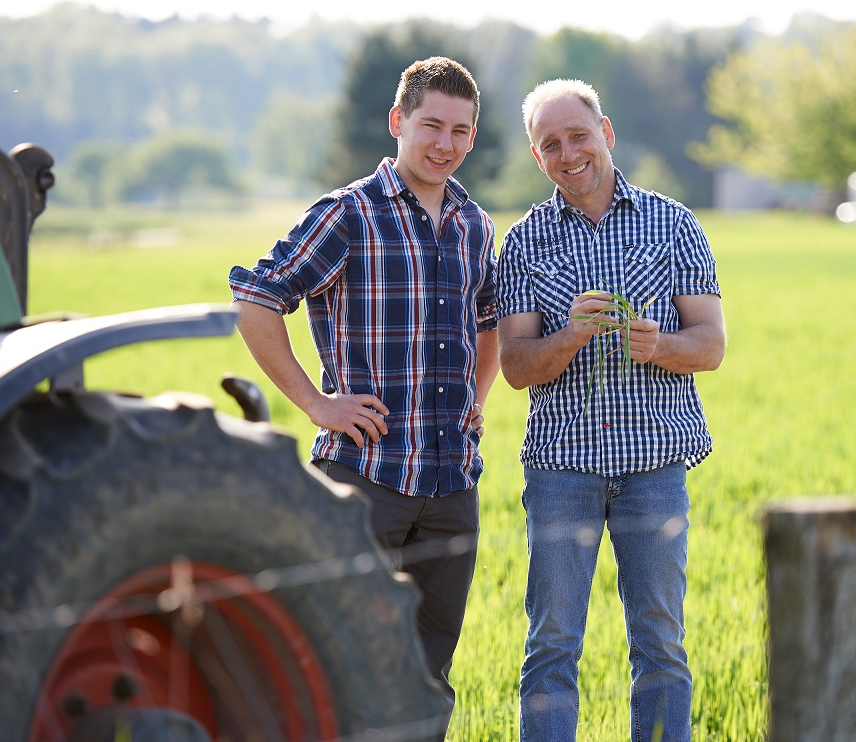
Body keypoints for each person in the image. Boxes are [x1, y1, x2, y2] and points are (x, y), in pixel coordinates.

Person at [228, 56, 499, 740]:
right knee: (333, 668)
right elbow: (258, 301)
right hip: (362, 484)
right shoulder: (349, 215)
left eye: (461, 130)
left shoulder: (473, 224)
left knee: (429, 676)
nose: (445, 143)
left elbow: (489, 320)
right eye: (431, 125)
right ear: (397, 123)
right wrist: (317, 405)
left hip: (451, 489)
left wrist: (479, 396)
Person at [495, 79, 726, 742]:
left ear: (607, 135)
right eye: (550, 145)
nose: (568, 153)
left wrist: (659, 345)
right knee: (552, 644)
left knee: (660, 643)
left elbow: (710, 346)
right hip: (561, 468)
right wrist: (568, 334)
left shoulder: (674, 223)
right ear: (538, 157)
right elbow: (514, 366)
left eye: (578, 136)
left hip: (655, 465)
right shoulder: (523, 242)